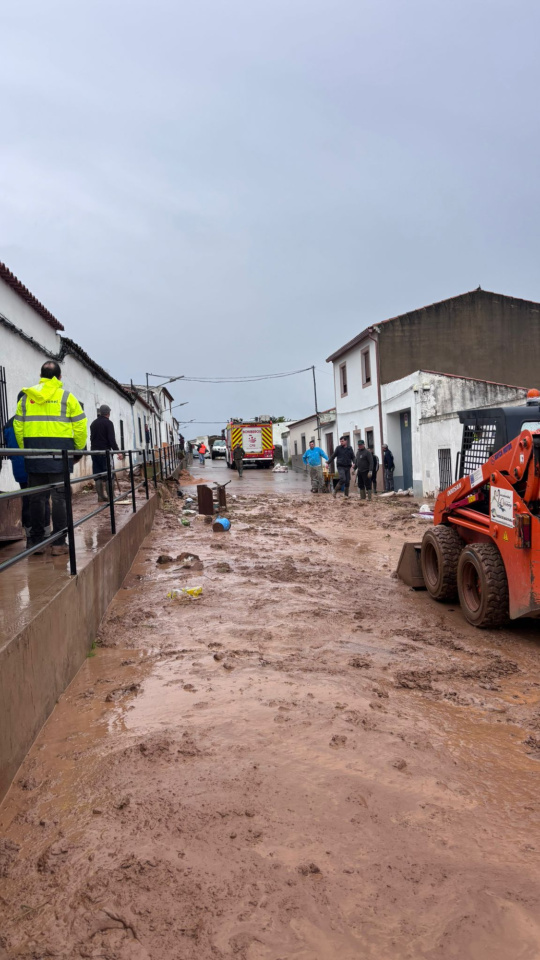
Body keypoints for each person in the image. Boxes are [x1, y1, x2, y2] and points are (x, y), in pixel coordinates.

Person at [14, 361, 87, 555]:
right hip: (59, 457)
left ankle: (36, 543)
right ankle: (59, 544)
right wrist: (77, 449)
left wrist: (27, 450)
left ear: (41, 376)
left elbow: (18, 427)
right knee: (60, 499)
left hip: (34, 458)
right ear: (59, 377)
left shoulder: (26, 398)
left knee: (36, 499)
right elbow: (80, 426)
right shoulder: (67, 397)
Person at [3, 392, 50, 544]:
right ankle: (45, 536)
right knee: (42, 499)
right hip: (36, 466)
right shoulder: (34, 419)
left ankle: (31, 538)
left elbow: (9, 446)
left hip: (19, 468)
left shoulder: (8, 424)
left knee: (27, 500)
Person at [90, 404, 121, 502]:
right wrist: (118, 452)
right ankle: (111, 497)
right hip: (105, 452)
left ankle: (100, 497)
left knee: (97, 474)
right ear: (108, 413)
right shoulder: (109, 423)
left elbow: (91, 438)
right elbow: (111, 439)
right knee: (109, 474)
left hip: (94, 452)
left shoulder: (93, 423)